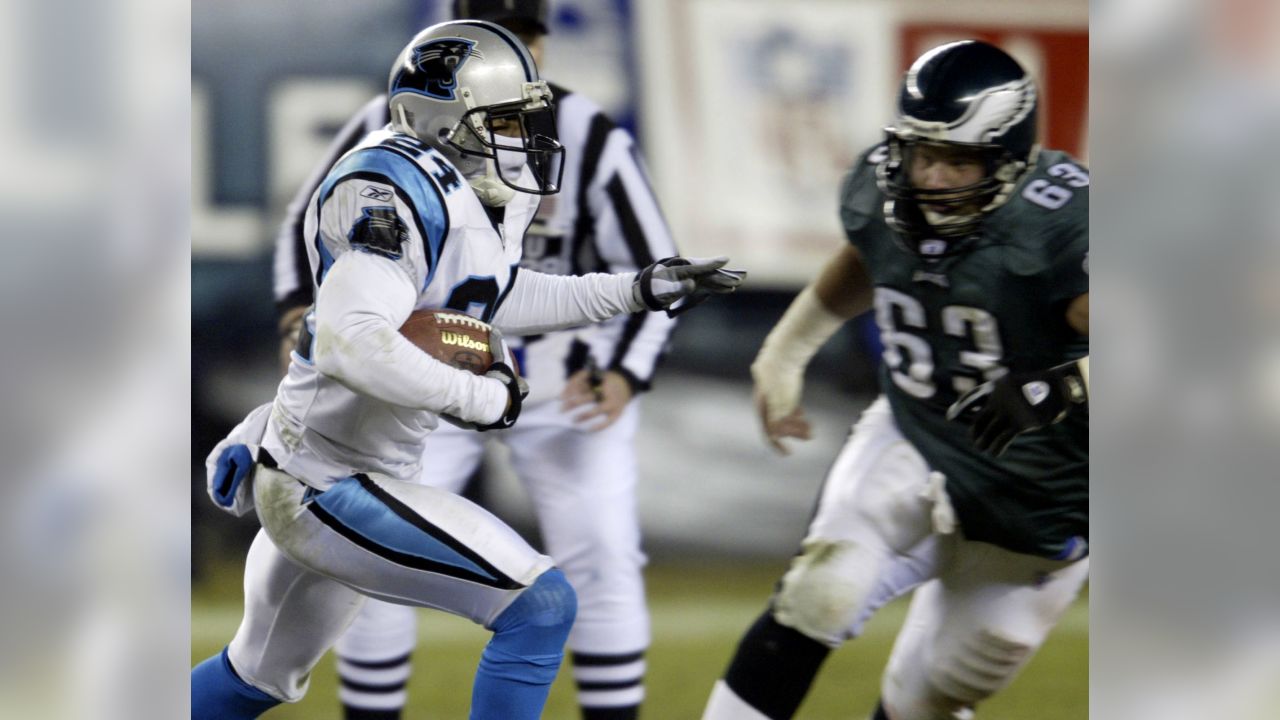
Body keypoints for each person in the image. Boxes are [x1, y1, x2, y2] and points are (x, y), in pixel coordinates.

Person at [191, 20, 743, 720]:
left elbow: (498, 295)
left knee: (254, 680)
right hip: (330, 481)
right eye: (507, 119)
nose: (524, 135)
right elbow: (346, 341)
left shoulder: (471, 190)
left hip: (329, 463)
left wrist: (638, 289)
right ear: (445, 121)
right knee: (539, 606)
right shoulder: (389, 190)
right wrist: (479, 399)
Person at [700, 40, 1089, 720]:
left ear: (1010, 159)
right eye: (923, 153)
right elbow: (871, 258)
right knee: (817, 595)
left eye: (958, 159)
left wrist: (1061, 384)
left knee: (924, 699)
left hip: (1041, 497)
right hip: (918, 435)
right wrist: (788, 349)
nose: (933, 177)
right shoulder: (883, 189)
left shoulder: (1059, 230)